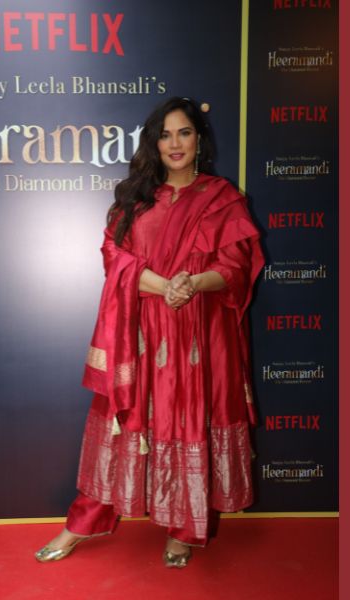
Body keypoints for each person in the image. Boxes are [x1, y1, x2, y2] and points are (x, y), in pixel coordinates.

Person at [35, 97, 264, 568]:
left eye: (184, 132)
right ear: (153, 143)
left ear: (200, 139)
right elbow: (113, 257)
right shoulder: (136, 198)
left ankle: (184, 528)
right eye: (164, 134)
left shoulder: (223, 198)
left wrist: (192, 284)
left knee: (190, 420)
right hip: (141, 334)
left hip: (200, 334)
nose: (174, 143)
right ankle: (82, 522)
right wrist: (165, 286)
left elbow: (237, 266)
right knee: (126, 419)